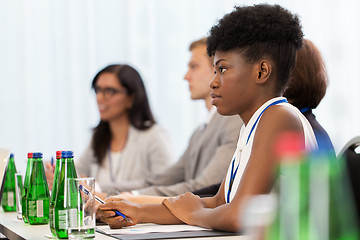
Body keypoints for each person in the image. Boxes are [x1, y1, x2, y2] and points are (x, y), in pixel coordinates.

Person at [97, 4, 318, 232]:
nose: (214, 82)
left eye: (222, 69)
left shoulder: (279, 117)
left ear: (261, 71)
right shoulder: (253, 125)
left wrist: (195, 213)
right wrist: (138, 211)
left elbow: (240, 214)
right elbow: (219, 202)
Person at [192, 38, 336, 198]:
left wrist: (189, 207)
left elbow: (240, 201)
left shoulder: (284, 123)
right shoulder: (257, 124)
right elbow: (230, 191)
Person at [98, 38, 242, 197]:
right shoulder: (199, 132)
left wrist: (131, 197)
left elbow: (205, 186)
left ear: (217, 70)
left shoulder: (234, 123)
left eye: (194, 67)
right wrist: (99, 190)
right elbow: (160, 180)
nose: (186, 76)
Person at [70, 64, 175, 190]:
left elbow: (165, 184)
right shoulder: (99, 137)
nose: (99, 98)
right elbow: (78, 174)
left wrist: (97, 187)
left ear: (131, 98)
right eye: (98, 90)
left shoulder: (154, 136)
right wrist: (60, 174)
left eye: (109, 91)